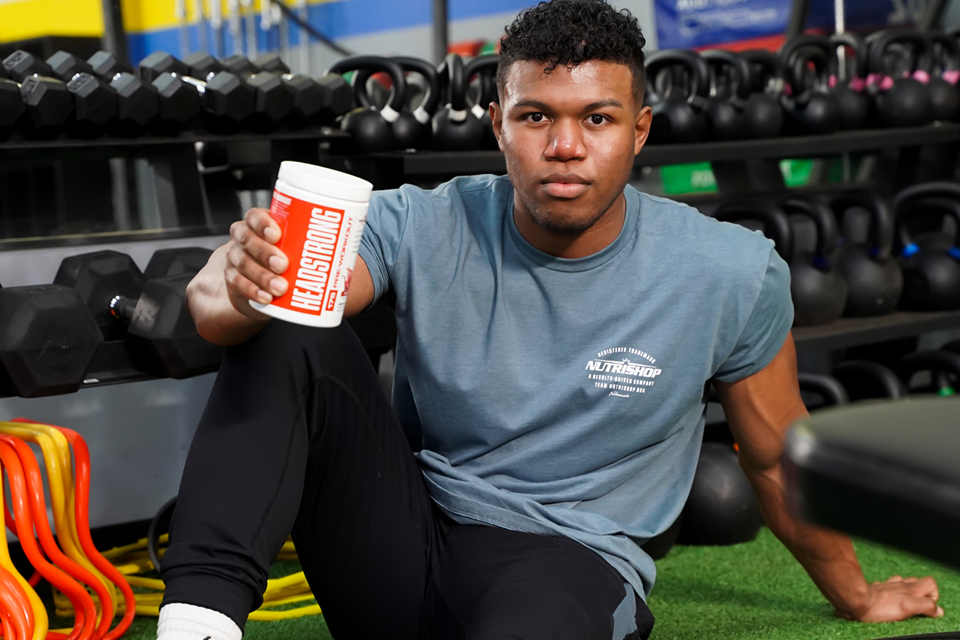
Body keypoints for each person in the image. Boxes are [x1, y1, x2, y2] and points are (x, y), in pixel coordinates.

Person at [164, 1, 943, 639]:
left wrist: (858, 595)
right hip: (401, 541)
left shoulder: (728, 271)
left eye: (597, 119)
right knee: (295, 308)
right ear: (499, 124)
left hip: (568, 564)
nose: (565, 146)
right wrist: (235, 288)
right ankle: (199, 621)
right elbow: (226, 315)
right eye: (537, 116)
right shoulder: (428, 222)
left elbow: (774, 461)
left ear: (638, 131)